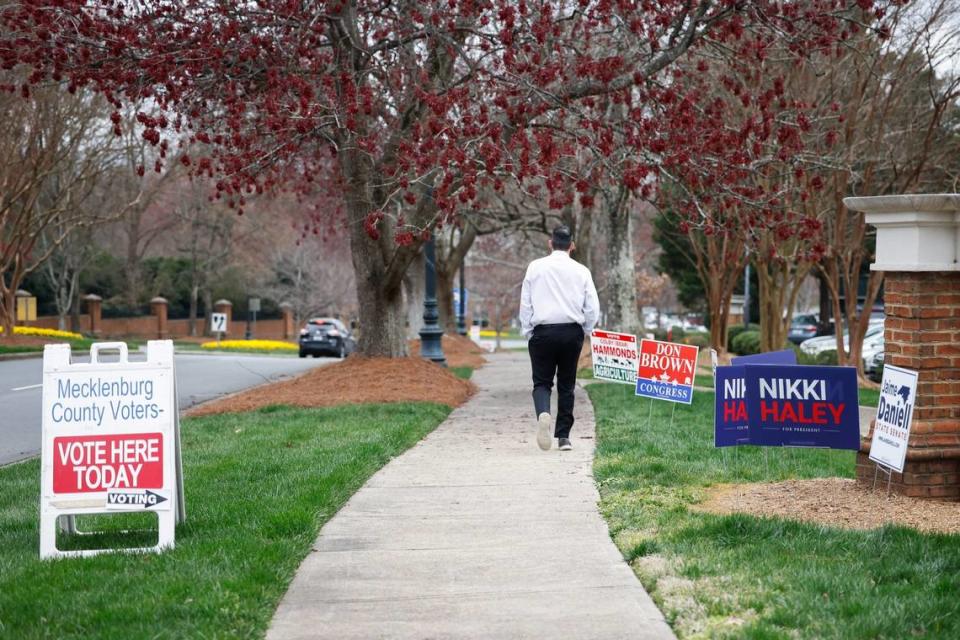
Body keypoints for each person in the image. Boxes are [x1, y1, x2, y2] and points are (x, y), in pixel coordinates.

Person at [519, 225, 600, 451]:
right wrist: (587, 329)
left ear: (550, 243)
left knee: (542, 382)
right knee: (567, 384)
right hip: (571, 331)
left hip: (542, 331)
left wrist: (528, 329)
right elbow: (592, 306)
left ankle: (543, 412)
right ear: (571, 246)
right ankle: (563, 437)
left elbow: (525, 303)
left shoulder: (535, 267)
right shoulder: (582, 271)